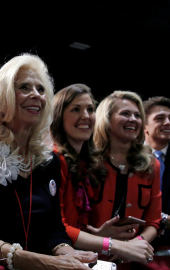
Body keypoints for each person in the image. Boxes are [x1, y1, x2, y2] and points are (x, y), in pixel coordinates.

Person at [0, 54, 97, 269]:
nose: (36, 95)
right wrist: (43, 262)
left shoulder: (49, 161)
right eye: (24, 87)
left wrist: (67, 252)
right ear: (3, 97)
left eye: (41, 89)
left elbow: (54, 227)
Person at [51, 84, 153, 264]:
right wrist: (113, 244)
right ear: (58, 116)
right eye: (76, 109)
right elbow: (56, 227)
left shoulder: (83, 161)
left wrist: (99, 235)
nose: (86, 116)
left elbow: (75, 226)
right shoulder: (55, 159)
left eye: (90, 109)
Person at [91, 91, 161, 264]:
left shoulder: (152, 165)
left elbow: (154, 221)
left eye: (138, 115)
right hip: (89, 256)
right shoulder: (88, 161)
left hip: (132, 261)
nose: (133, 119)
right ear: (106, 120)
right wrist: (105, 242)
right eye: (125, 113)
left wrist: (135, 244)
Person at [144, 96, 170, 255]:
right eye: (160, 118)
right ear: (144, 125)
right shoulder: (126, 157)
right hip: (129, 245)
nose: (167, 122)